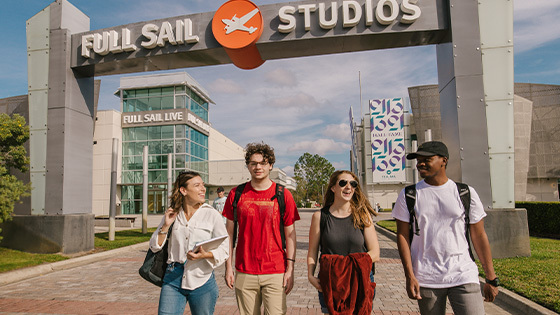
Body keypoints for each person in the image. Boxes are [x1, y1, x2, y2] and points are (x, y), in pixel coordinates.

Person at [392, 141, 499, 315]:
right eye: (418, 159)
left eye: (427, 159)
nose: (420, 163)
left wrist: (491, 277)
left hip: (463, 273)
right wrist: (409, 276)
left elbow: (479, 236)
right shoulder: (409, 195)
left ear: (444, 160)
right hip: (427, 277)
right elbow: (402, 236)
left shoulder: (465, 193)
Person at [223, 142, 300, 315]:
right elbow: (229, 234)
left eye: (263, 163)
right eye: (253, 163)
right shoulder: (236, 194)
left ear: (270, 165)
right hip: (244, 270)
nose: (258, 167)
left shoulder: (283, 194)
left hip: (275, 270)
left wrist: (290, 269)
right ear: (248, 166)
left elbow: (290, 236)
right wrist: (228, 267)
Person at [149, 171, 229, 315]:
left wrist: (205, 255)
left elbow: (225, 249)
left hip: (202, 278)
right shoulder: (173, 213)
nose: (203, 189)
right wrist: (166, 226)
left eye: (203, 185)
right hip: (172, 277)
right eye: (197, 185)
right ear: (183, 190)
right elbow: (155, 246)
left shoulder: (212, 215)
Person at [307, 170, 380, 314]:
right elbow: (313, 251)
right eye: (343, 183)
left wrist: (346, 266)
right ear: (333, 188)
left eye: (353, 184)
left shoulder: (363, 215)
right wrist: (310, 275)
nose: (349, 187)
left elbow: (375, 253)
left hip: (360, 281)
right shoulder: (320, 216)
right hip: (331, 281)